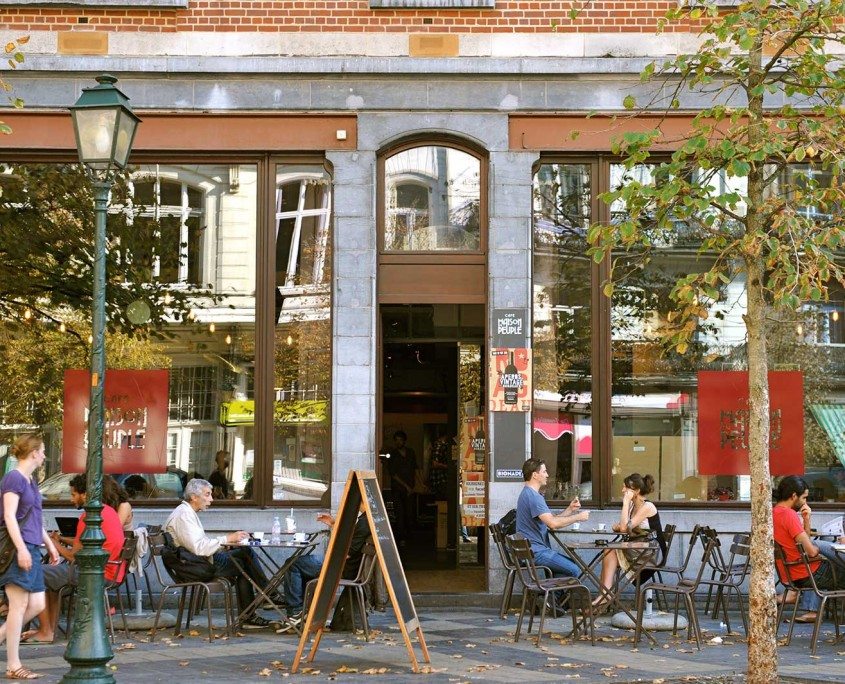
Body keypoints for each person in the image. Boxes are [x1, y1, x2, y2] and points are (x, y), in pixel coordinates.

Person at [22, 474, 125, 645]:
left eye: (73, 494)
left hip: (93, 574)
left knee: (35, 571)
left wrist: (53, 543)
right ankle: (49, 628)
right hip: (111, 572)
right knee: (50, 577)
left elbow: (72, 556)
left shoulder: (89, 516)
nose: (71, 499)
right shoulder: (109, 511)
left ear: (84, 495)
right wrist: (61, 541)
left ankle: (46, 631)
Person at [164, 478, 277, 629]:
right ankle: (266, 597)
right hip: (197, 566)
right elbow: (200, 548)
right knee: (243, 563)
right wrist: (227, 539)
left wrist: (225, 545)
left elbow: (198, 545)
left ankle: (265, 597)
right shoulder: (184, 515)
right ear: (194, 497)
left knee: (244, 552)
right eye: (207, 494)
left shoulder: (186, 512)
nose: (211, 499)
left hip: (197, 562)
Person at [0, 434, 60, 680]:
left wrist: (50, 545)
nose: (45, 456)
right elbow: (10, 516)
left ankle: (3, 636)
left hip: (32, 547)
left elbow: (34, 517)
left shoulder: (30, 480)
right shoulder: (14, 478)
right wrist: (22, 549)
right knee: (19, 606)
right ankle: (13, 665)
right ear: (34, 453)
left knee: (36, 604)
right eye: (43, 451)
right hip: (19, 548)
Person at [280, 508, 371, 634]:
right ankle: (303, 612)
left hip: (339, 567)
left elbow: (346, 552)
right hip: (342, 564)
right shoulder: (368, 520)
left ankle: (296, 612)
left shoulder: (364, 522)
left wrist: (331, 551)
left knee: (293, 564)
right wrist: (333, 525)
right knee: (299, 564)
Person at [773, 475, 845, 624]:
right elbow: (811, 551)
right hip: (807, 573)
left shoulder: (773, 513)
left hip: (791, 573)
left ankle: (792, 598)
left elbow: (803, 543)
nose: (805, 502)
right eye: (804, 497)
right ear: (794, 496)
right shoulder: (789, 515)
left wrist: (806, 520)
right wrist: (819, 549)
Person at [594, 473, 666, 611]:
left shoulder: (648, 507)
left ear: (636, 491)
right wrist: (622, 524)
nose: (622, 491)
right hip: (638, 548)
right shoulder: (633, 506)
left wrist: (625, 503)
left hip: (651, 554)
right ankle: (604, 595)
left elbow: (624, 527)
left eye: (625, 488)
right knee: (608, 550)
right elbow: (624, 527)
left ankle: (605, 596)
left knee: (610, 550)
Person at [516, 458, 589, 578]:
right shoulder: (534, 497)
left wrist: (570, 510)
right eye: (544, 472)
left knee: (569, 566)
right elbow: (553, 524)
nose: (547, 475)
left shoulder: (528, 494)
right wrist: (578, 517)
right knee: (574, 569)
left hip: (533, 550)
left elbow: (551, 519)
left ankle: (552, 596)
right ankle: (553, 595)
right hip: (537, 552)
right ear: (535, 475)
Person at [384, 431, 417, 546]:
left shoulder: (411, 453)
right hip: (398, 488)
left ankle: (410, 536)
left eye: (400, 440)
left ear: (404, 440)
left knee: (409, 513)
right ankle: (401, 538)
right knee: (399, 513)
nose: (398, 442)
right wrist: (406, 486)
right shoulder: (392, 454)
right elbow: (393, 474)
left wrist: (420, 484)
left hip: (410, 488)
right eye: (396, 440)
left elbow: (415, 469)